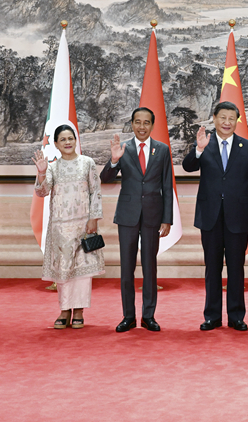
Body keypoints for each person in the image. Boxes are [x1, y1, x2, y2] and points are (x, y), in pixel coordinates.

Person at [183, 101, 248, 331]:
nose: (227, 122)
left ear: (237, 121)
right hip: (210, 216)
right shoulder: (204, 144)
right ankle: (212, 316)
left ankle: (237, 316)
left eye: (232, 118)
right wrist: (198, 150)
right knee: (212, 267)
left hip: (238, 217)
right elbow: (188, 166)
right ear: (214, 118)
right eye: (223, 118)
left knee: (236, 267)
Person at [100, 108, 173, 333]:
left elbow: (167, 186)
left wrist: (167, 219)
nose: (142, 127)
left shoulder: (162, 150)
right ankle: (128, 316)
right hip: (128, 215)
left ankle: (148, 316)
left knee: (150, 267)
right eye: (137, 122)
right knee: (127, 268)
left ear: (153, 125)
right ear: (131, 124)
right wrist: (113, 161)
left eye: (146, 123)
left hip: (153, 215)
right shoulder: (124, 149)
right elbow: (105, 179)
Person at [33, 124, 105, 330]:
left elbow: (96, 192)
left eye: (70, 138)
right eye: (62, 139)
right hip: (60, 228)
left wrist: (94, 218)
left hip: (84, 225)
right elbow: (42, 192)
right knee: (63, 271)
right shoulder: (53, 167)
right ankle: (64, 310)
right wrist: (41, 173)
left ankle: (79, 310)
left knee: (82, 271)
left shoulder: (87, 163)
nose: (67, 142)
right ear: (56, 144)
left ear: (76, 140)